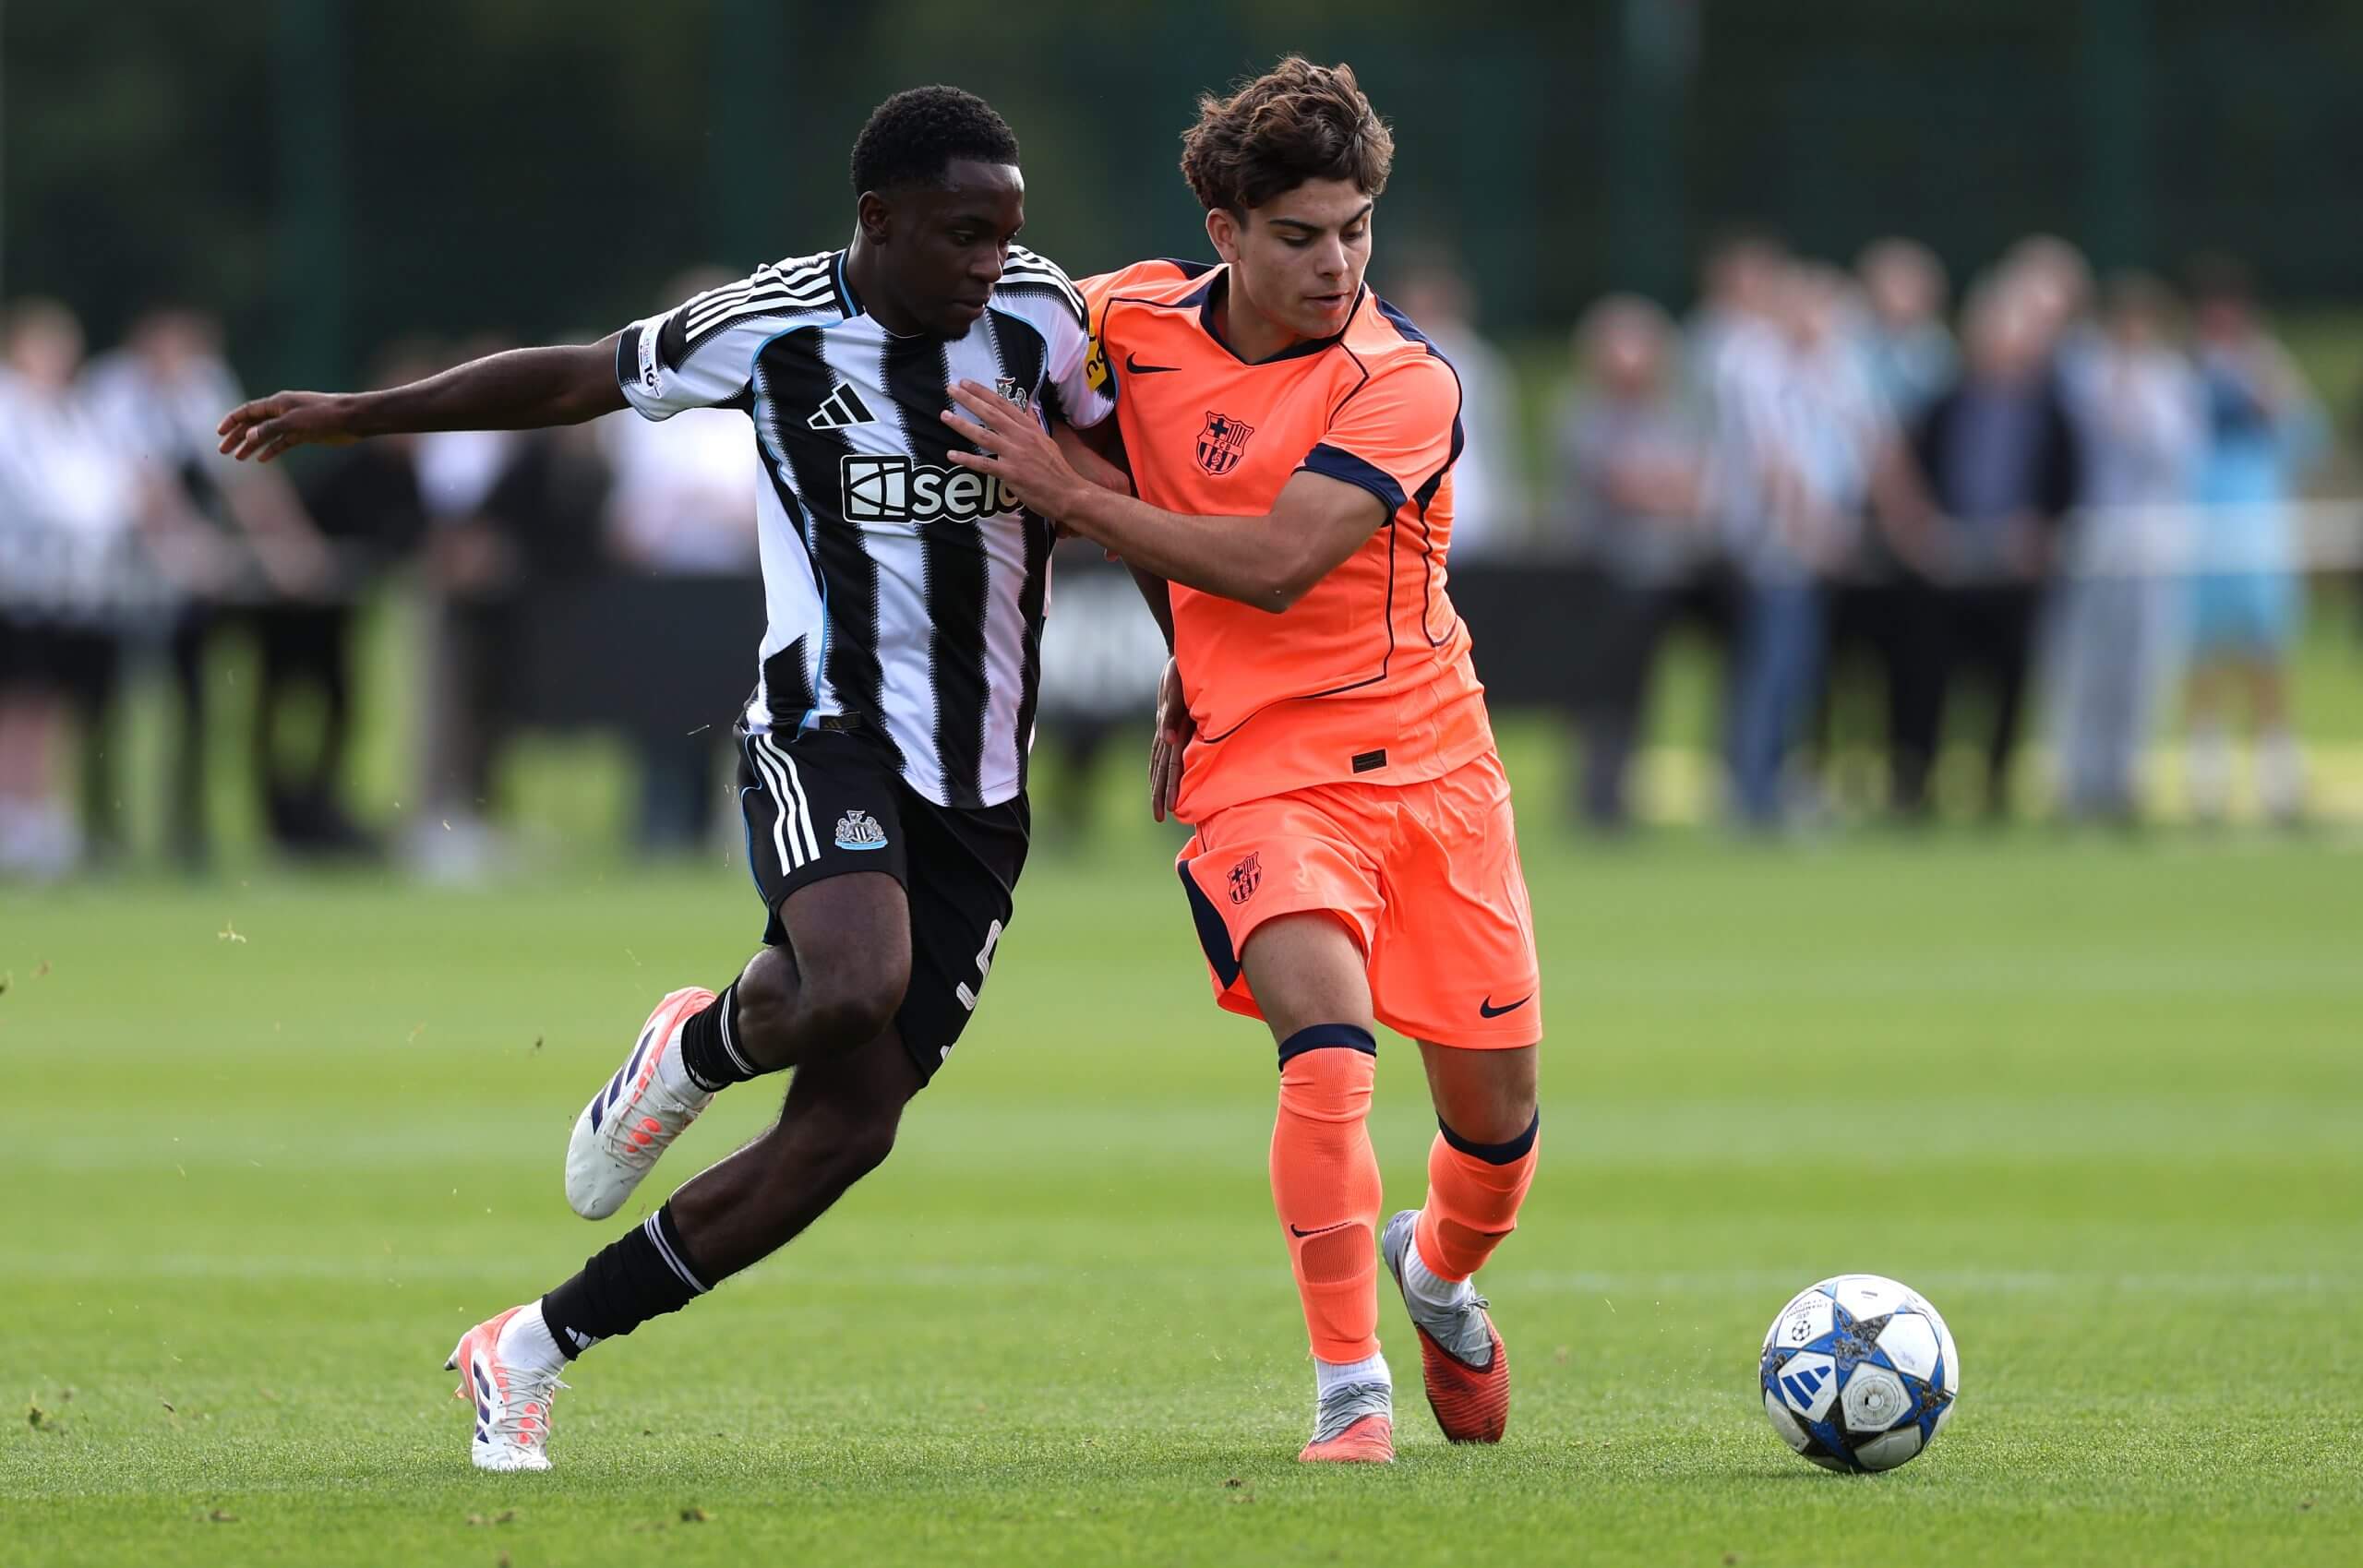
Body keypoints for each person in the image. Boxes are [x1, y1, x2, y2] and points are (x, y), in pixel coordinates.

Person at [220, 86, 1120, 1472]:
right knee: (855, 979)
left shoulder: (1047, 320)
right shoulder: (767, 322)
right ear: (878, 222)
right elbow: (577, 374)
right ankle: (701, 1047)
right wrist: (363, 414)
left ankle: (532, 1337)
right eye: (960, 235)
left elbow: (1131, 472)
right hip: (828, 724)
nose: (989, 262)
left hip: (983, 780)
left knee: (847, 1131)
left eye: (1005, 235)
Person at [943, 58, 1541, 1465]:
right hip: (1260, 764)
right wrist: (1183, 659)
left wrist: (1069, 493)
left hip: (1434, 763)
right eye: (1301, 233)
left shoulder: (1402, 382)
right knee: (1327, 1049)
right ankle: (1351, 1391)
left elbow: (1275, 562)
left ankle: (1440, 1272)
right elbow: (972, 328)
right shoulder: (1125, 317)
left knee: (1497, 1127)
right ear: (1224, 230)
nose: (1337, 261)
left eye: (1357, 227)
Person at [1892, 281, 2082, 820]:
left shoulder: (2050, 411)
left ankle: (1995, 786)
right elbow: (1916, 471)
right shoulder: (1945, 404)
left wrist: (2042, 531)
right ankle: (1918, 784)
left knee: (2010, 680)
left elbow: (2068, 483)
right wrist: (1923, 530)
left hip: (2015, 567)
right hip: (1949, 564)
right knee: (1929, 678)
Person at [2049, 274, 2202, 823]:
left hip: (2151, 542)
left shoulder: (2170, 380)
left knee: (2141, 668)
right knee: (2085, 665)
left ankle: (2123, 777)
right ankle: (2077, 779)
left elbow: (2177, 453)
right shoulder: (2085, 372)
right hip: (2093, 538)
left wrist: (2133, 405)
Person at [2179, 257, 2324, 824]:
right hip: (2198, 528)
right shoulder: (2184, 374)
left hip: (2258, 525)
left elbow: (2307, 442)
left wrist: (2272, 394)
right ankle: (2206, 780)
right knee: (2203, 655)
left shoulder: (2268, 370)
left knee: (2266, 653)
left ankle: (2277, 778)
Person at [1557, 293, 1711, 829]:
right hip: (1598, 577)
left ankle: (1622, 794)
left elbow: (1693, 488)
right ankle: (1596, 797)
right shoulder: (1580, 412)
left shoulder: (1675, 413)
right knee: (1596, 692)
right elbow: (1622, 486)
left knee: (1642, 690)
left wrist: (1658, 486)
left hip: (1660, 576)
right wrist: (1659, 486)